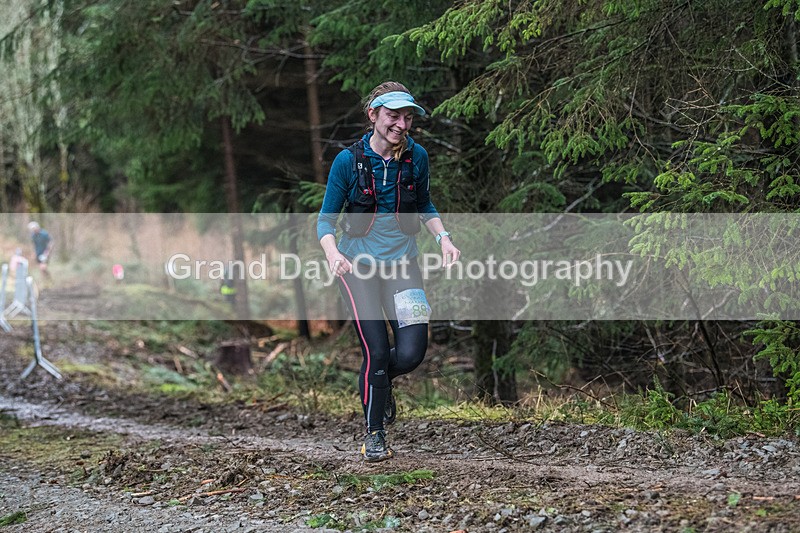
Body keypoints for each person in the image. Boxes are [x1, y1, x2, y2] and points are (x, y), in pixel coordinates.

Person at [317, 81, 461, 462]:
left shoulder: (417, 157)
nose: (401, 124)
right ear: (374, 116)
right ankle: (374, 434)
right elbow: (325, 221)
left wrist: (443, 238)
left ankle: (378, 382)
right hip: (357, 268)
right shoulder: (348, 161)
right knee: (377, 351)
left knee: (411, 353)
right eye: (393, 116)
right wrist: (333, 254)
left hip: (403, 266)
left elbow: (425, 204)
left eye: (408, 117)